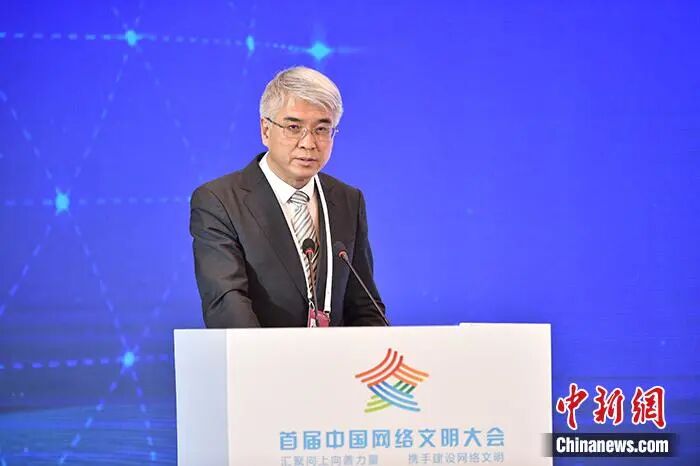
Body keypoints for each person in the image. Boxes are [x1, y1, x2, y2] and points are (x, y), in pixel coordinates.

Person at [189, 66, 387, 328]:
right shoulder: (220, 201)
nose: (308, 143)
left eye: (321, 129)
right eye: (294, 127)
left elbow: (364, 305)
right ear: (265, 130)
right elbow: (227, 302)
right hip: (260, 352)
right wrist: (273, 354)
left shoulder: (348, 200)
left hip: (335, 354)